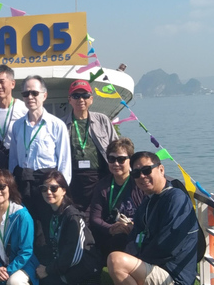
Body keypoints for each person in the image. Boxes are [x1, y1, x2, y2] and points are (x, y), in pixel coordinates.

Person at [94, 152, 200, 285]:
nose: (141, 177)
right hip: (151, 275)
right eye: (136, 174)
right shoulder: (148, 201)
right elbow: (135, 236)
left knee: (116, 261)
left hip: (173, 279)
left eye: (146, 170)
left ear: (161, 169)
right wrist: (134, 256)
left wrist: (135, 263)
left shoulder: (176, 198)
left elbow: (166, 245)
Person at [35, 170, 102, 285]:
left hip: (84, 270)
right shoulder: (54, 213)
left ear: (63, 190)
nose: (48, 192)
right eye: (44, 188)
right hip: (68, 267)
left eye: (53, 188)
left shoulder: (72, 216)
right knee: (38, 280)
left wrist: (49, 269)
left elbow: (75, 254)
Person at [9, 75, 71, 227]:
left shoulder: (57, 125)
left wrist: (60, 190)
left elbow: (64, 161)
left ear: (44, 95)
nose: (30, 97)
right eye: (26, 93)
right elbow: (13, 159)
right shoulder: (17, 126)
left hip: (48, 185)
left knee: (49, 228)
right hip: (25, 184)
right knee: (26, 227)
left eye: (34, 93)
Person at [61, 80, 118, 211]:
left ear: (91, 99)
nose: (81, 99)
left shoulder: (102, 120)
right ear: (70, 100)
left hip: (100, 177)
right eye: (76, 96)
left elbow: (116, 147)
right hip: (73, 179)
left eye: (85, 96)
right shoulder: (61, 124)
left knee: (99, 213)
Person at [89, 138, 145, 261]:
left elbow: (149, 214)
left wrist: (132, 226)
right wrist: (111, 229)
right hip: (112, 234)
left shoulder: (140, 184)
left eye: (121, 159)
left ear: (130, 160)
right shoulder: (102, 186)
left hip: (137, 232)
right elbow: (94, 218)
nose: (116, 164)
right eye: (111, 159)